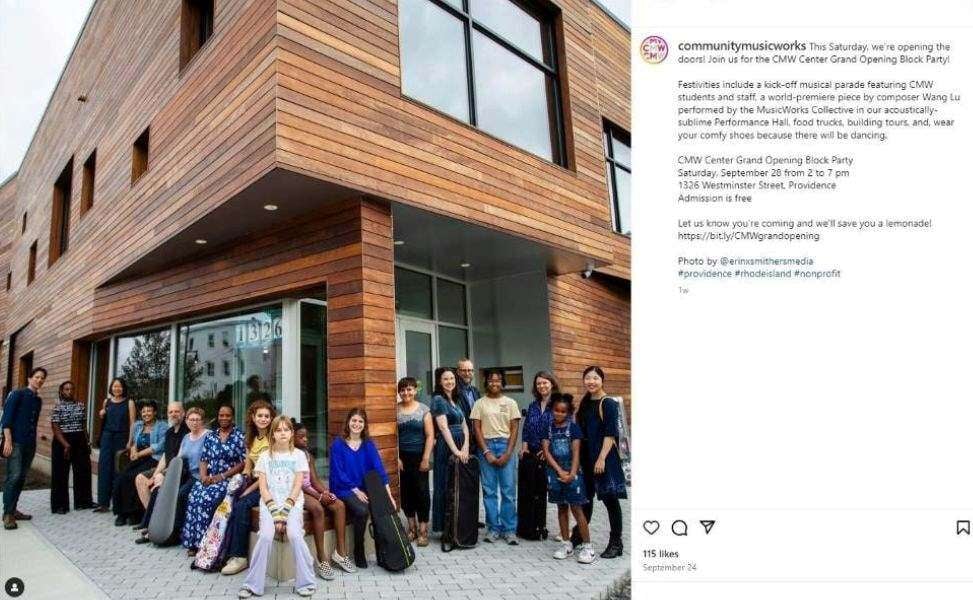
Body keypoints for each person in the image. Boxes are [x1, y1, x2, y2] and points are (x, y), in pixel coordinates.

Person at [238, 415, 316, 598]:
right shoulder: (265, 457)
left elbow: (297, 486)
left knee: (295, 535)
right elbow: (263, 488)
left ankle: (306, 580)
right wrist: (275, 513)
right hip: (270, 503)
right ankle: (252, 584)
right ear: (273, 434)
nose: (283, 433)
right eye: (278, 430)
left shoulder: (299, 455)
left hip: (292, 503)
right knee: (265, 536)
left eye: (286, 430)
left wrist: (285, 512)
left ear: (291, 433)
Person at [328, 408, 395, 569]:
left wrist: (389, 495)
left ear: (364, 425)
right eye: (354, 420)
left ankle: (383, 552)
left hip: (364, 488)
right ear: (348, 422)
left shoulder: (368, 444)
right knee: (362, 510)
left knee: (379, 508)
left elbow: (379, 470)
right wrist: (355, 490)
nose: (356, 424)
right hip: (343, 487)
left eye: (360, 421)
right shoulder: (338, 444)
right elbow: (338, 472)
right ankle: (359, 549)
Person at [571, 366, 626, 559]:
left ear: (602, 380)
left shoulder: (608, 403)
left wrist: (601, 458)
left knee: (611, 501)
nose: (591, 382)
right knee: (585, 500)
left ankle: (616, 542)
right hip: (586, 460)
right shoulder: (585, 402)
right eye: (588, 378)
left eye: (595, 378)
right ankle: (579, 535)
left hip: (604, 460)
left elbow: (611, 434)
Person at [135, 407, 208, 544]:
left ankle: (174, 533)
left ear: (202, 421)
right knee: (158, 490)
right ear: (187, 421)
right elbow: (178, 459)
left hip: (198, 476)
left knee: (180, 495)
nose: (194, 422)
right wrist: (164, 475)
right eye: (191, 420)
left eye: (197, 420)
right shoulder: (186, 437)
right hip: (183, 474)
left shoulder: (208, 436)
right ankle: (151, 530)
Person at [293, 421, 356, 577]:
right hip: (297, 491)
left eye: (306, 436)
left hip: (311, 490)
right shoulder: (290, 455)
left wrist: (326, 492)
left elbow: (314, 481)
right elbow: (298, 484)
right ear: (291, 437)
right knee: (317, 508)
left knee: (339, 505)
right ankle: (322, 559)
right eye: (301, 437)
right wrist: (319, 496)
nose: (306, 439)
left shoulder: (308, 455)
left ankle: (340, 553)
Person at [182, 404, 246, 556]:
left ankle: (206, 544)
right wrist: (203, 476)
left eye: (227, 415)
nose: (224, 418)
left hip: (228, 479)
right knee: (194, 496)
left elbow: (243, 462)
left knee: (207, 500)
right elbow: (203, 458)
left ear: (232, 417)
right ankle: (193, 543)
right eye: (221, 415)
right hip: (210, 477)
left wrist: (222, 476)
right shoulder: (211, 436)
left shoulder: (239, 436)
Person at [220, 400, 275, 575]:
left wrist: (247, 490)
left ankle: (240, 557)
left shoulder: (273, 438)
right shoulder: (251, 437)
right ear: (253, 417)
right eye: (260, 415)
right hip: (253, 481)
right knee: (226, 501)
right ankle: (224, 551)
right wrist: (242, 478)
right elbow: (248, 463)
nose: (264, 419)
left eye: (267, 416)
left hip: (269, 484)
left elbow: (269, 473)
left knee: (242, 505)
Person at [541, 394, 595, 564]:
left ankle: (587, 547)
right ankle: (566, 544)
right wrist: (559, 471)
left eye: (563, 411)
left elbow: (577, 453)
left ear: (569, 412)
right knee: (561, 508)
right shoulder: (547, 428)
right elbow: (547, 452)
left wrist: (571, 473)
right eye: (556, 410)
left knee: (577, 509)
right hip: (554, 472)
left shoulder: (573, 428)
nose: (559, 414)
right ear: (552, 410)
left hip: (573, 472)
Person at [471, 369, 521, 545]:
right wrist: (486, 451)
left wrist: (508, 452)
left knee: (508, 491)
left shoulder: (510, 403)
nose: (495, 383)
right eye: (491, 381)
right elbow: (476, 428)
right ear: (486, 382)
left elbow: (514, 428)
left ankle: (509, 530)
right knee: (489, 491)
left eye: (498, 380)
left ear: (503, 383)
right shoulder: (479, 403)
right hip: (486, 447)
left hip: (505, 444)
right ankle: (493, 528)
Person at [1, 367, 47, 529]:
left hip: (29, 444)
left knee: (21, 478)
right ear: (29, 378)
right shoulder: (17, 395)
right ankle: (7, 514)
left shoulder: (38, 400)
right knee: (14, 476)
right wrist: (8, 441)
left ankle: (13, 510)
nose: (39, 380)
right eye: (36, 377)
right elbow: (6, 420)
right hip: (16, 443)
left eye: (42, 378)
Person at [112, 400, 168, 526]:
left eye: (149, 411)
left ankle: (134, 514)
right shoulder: (138, 425)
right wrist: (133, 451)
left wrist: (138, 454)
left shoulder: (162, 426)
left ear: (154, 412)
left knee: (133, 477)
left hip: (154, 459)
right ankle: (121, 513)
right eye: (143, 411)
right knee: (121, 477)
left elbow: (158, 446)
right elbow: (133, 443)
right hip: (139, 458)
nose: (146, 413)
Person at [430, 367, 470, 535]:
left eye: (452, 378)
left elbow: (464, 425)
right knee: (445, 484)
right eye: (446, 379)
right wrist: (456, 451)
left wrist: (465, 447)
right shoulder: (438, 400)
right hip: (447, 446)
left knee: (458, 485)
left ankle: (457, 525)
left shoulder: (456, 400)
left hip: (461, 444)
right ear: (440, 382)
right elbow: (443, 428)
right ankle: (445, 527)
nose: (450, 382)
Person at [396, 377, 434, 546]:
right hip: (402, 459)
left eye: (409, 389)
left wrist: (426, 458)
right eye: (403, 390)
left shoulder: (424, 410)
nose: (406, 393)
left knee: (422, 493)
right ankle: (411, 528)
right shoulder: (394, 411)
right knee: (406, 493)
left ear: (415, 391)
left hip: (420, 457)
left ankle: (423, 530)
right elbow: (392, 437)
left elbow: (430, 435)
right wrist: (396, 457)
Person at [50, 380, 94, 513]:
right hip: (62, 441)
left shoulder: (81, 406)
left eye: (71, 389)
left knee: (83, 471)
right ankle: (60, 505)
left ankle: (83, 502)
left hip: (79, 440)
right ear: (62, 391)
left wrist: (87, 442)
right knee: (60, 474)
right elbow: (55, 428)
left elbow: (83, 426)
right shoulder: (57, 407)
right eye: (66, 389)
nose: (69, 391)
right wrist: (66, 445)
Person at [135, 401, 187, 512]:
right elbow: (165, 456)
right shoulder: (169, 432)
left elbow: (179, 459)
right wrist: (154, 474)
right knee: (140, 479)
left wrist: (162, 474)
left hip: (180, 471)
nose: (173, 414)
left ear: (183, 413)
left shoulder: (186, 432)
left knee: (157, 482)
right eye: (171, 412)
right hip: (167, 469)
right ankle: (150, 517)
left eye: (177, 411)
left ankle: (159, 520)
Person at [94, 378, 136, 512]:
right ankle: (103, 503)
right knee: (104, 468)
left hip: (121, 437)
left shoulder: (129, 403)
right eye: (114, 386)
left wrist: (130, 441)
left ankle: (118, 503)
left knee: (119, 469)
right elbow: (103, 417)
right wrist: (101, 413)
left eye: (119, 387)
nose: (117, 389)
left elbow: (133, 423)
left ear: (123, 388)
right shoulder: (107, 402)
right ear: (111, 388)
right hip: (107, 437)